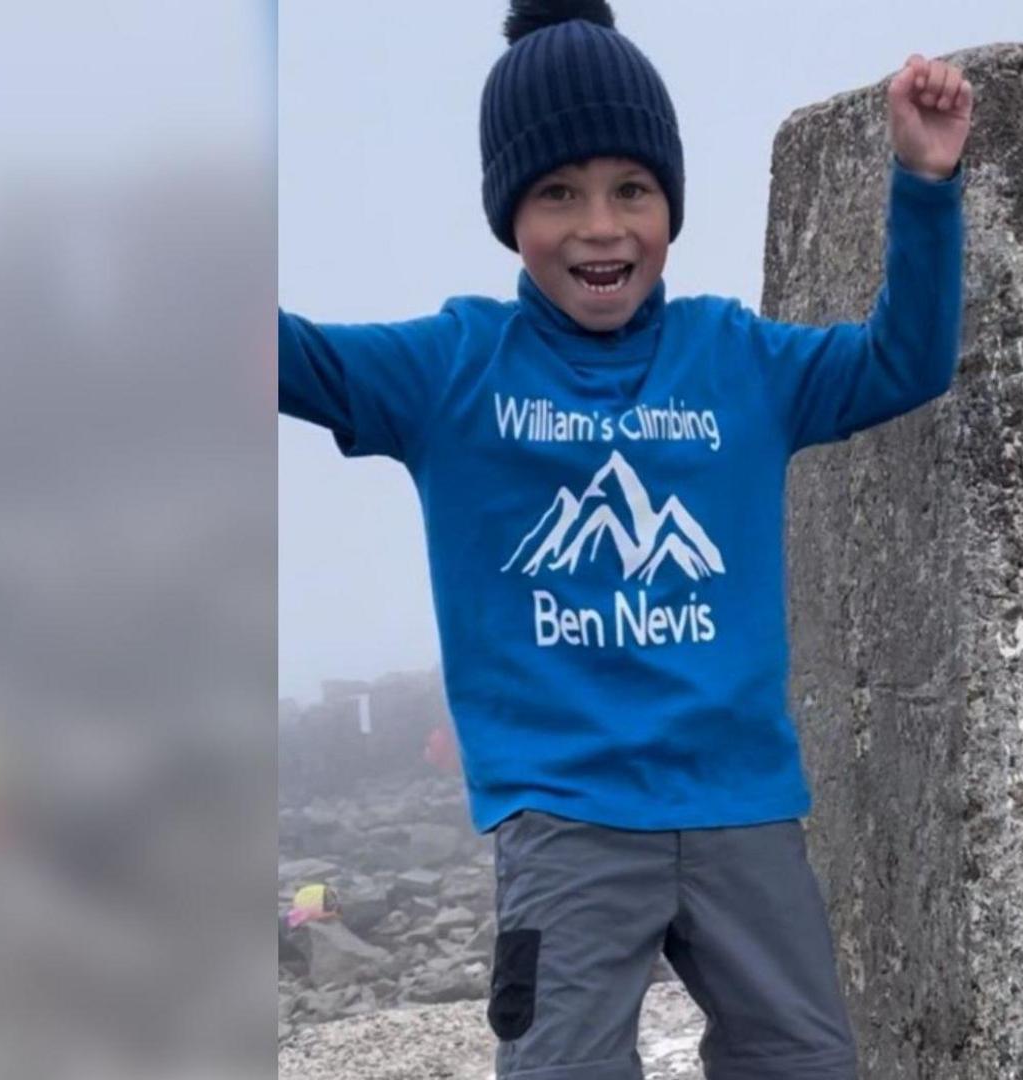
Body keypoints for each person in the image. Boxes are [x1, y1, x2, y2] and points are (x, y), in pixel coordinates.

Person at [277, 1, 972, 1076]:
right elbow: (294, 358)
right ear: (509, 213)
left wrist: (925, 186)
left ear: (670, 206)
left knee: (805, 1062)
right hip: (566, 821)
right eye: (558, 193)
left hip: (743, 806)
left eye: (631, 190)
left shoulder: (738, 360)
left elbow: (905, 363)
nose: (600, 227)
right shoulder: (453, 369)